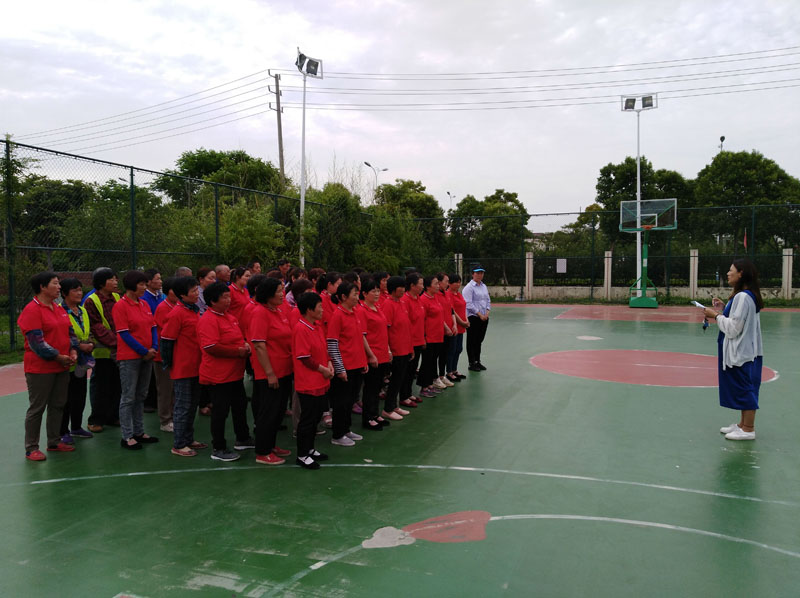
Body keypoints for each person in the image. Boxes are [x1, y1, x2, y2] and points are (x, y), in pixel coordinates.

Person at [702, 259, 765, 441]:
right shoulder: (745, 296)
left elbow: (734, 328)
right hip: (746, 350)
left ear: (741, 273)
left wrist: (715, 315)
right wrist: (724, 309)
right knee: (743, 386)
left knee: (745, 388)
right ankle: (742, 425)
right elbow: (739, 319)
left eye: (731, 270)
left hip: (742, 351)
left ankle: (749, 429)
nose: (728, 273)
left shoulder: (742, 297)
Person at [18, 272, 77, 461]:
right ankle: (31, 448)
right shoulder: (32, 310)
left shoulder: (58, 309)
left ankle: (54, 441)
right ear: (43, 287)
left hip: (61, 366)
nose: (59, 287)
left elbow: (70, 332)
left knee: (58, 405)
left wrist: (73, 351)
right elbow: (37, 343)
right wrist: (58, 356)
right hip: (40, 369)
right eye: (55, 283)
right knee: (37, 408)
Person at [197, 281, 253, 462]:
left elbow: (237, 337)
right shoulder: (208, 319)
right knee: (220, 411)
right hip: (218, 375)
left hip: (234, 373)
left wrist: (244, 344)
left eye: (229, 296)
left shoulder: (229, 316)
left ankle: (242, 438)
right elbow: (211, 347)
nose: (228, 300)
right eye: (224, 297)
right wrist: (237, 351)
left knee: (240, 405)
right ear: (213, 301)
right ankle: (218, 447)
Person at [160, 276, 208, 457]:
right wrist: (169, 364)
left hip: (196, 366)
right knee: (182, 406)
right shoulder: (177, 313)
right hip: (183, 368)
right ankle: (179, 444)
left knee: (192, 405)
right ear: (182, 295)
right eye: (193, 291)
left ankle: (188, 438)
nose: (197, 293)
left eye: (197, 290)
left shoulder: (194, 310)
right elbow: (167, 341)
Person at [248, 278, 294, 465]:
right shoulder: (260, 313)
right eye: (278, 291)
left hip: (284, 369)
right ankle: (262, 451)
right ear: (268, 295)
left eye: (282, 290)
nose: (282, 294)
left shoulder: (278, 311)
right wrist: (269, 373)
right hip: (270, 372)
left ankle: (271, 444)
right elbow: (259, 345)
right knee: (268, 411)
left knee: (278, 410)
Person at [113, 270, 159, 450]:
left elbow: (153, 327)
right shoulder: (121, 306)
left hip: (147, 356)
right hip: (130, 358)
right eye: (141, 284)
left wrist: (153, 346)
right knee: (128, 396)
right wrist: (143, 351)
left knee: (141, 395)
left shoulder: (144, 304)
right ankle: (127, 435)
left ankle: (139, 431)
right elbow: (124, 334)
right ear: (132, 286)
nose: (144, 288)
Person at [326, 282, 377, 446]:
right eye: (354, 294)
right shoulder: (337, 315)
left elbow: (359, 339)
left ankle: (346, 429)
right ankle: (338, 434)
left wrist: (364, 360)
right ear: (343, 297)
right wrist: (340, 369)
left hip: (357, 365)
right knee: (341, 402)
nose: (357, 297)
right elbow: (332, 344)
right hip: (345, 367)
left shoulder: (355, 313)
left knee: (350, 401)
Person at [292, 292, 333, 469]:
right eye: (319, 307)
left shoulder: (316, 326)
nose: (322, 310)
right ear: (309, 310)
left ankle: (310, 448)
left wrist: (329, 363)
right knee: (308, 419)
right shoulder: (301, 329)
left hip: (321, 380)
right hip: (308, 382)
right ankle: (302, 454)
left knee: (316, 416)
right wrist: (323, 369)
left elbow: (323, 349)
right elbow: (304, 357)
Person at [84, 267, 121, 432]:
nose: (115, 282)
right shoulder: (91, 301)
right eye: (111, 279)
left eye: (115, 279)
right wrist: (117, 342)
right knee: (101, 386)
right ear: (101, 283)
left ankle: (112, 416)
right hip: (102, 352)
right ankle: (96, 419)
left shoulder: (117, 297)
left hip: (118, 350)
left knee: (116, 385)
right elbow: (97, 327)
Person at [58, 278, 95, 443]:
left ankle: (76, 427)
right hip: (68, 361)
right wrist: (79, 346)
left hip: (82, 362)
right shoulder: (59, 311)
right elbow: (62, 335)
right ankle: (62, 431)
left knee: (79, 396)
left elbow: (88, 331)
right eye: (75, 290)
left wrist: (91, 343)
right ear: (64, 293)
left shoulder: (82, 311)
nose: (79, 293)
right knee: (65, 399)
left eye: (80, 290)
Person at [360, 277, 391, 431]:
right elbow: (362, 335)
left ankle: (375, 413)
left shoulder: (377, 307)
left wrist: (388, 349)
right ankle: (368, 417)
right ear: (364, 293)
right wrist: (371, 355)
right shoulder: (362, 310)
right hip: (372, 354)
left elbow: (383, 330)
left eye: (378, 290)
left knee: (378, 386)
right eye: (373, 291)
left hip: (382, 353)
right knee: (370, 388)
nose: (377, 293)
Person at [381, 276, 413, 421]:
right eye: (401, 287)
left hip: (405, 348)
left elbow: (406, 327)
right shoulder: (388, 304)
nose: (403, 289)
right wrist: (388, 349)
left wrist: (410, 348)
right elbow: (386, 329)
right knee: (395, 379)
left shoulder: (401, 303)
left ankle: (394, 405)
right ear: (394, 289)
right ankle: (388, 408)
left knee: (400, 378)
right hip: (396, 349)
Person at [152, 277, 178, 432]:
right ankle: (165, 420)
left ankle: (174, 416)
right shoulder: (163, 308)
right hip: (163, 355)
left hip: (176, 354)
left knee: (174, 388)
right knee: (165, 389)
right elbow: (166, 332)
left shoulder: (177, 306)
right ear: (169, 292)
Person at [417, 276, 445, 398]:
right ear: (428, 286)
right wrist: (423, 336)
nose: (438, 286)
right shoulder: (423, 300)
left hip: (438, 336)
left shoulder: (435, 298)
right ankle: (424, 386)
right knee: (427, 362)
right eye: (436, 284)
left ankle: (429, 384)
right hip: (429, 337)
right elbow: (422, 320)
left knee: (433, 361)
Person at [400, 272, 425, 406]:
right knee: (407, 371)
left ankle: (408, 393)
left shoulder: (418, 298)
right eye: (420, 284)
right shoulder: (405, 300)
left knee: (412, 369)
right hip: (409, 342)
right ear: (412, 285)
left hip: (418, 340)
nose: (422, 286)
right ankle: (403, 396)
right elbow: (406, 324)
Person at [462, 264, 491, 371]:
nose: (480, 275)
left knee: (479, 340)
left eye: (481, 273)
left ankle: (478, 361)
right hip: (473, 317)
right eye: (477, 273)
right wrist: (479, 314)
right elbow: (468, 304)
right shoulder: (469, 288)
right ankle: (472, 363)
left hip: (484, 317)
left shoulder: (484, 286)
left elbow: (488, 300)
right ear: (472, 274)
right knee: (472, 340)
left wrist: (487, 313)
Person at [446, 273, 469, 381]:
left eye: (459, 282)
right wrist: (462, 322)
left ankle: (454, 369)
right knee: (452, 350)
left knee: (459, 349)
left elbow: (464, 308)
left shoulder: (459, 294)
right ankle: (449, 371)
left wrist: (466, 320)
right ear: (450, 283)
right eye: (456, 282)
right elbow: (452, 311)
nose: (458, 284)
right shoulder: (448, 295)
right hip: (454, 325)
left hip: (461, 326)